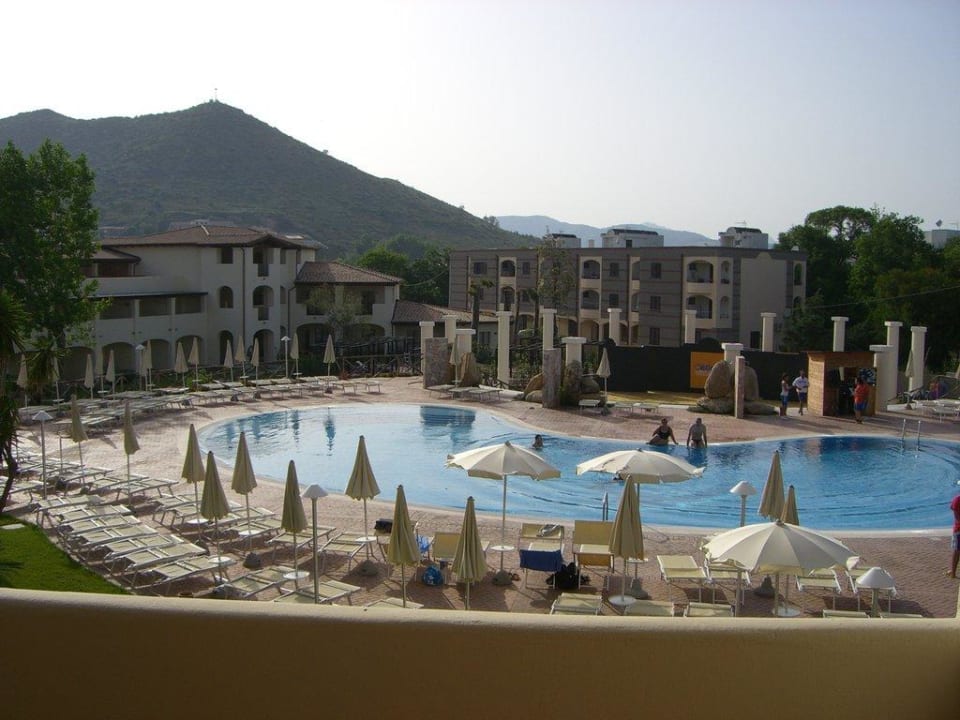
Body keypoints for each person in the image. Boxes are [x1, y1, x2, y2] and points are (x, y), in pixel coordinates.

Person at [950, 494, 960, 579]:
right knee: (957, 551)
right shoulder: (957, 500)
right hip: (958, 530)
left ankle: (952, 572)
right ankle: (953, 573)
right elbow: (957, 518)